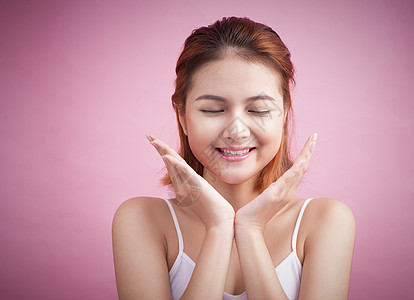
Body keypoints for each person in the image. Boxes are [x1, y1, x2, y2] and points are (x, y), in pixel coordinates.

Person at [112, 16, 355, 300]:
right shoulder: (142, 221)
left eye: (259, 110)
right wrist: (218, 227)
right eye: (213, 109)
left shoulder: (325, 221)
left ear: (285, 113)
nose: (236, 132)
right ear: (182, 115)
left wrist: (250, 229)